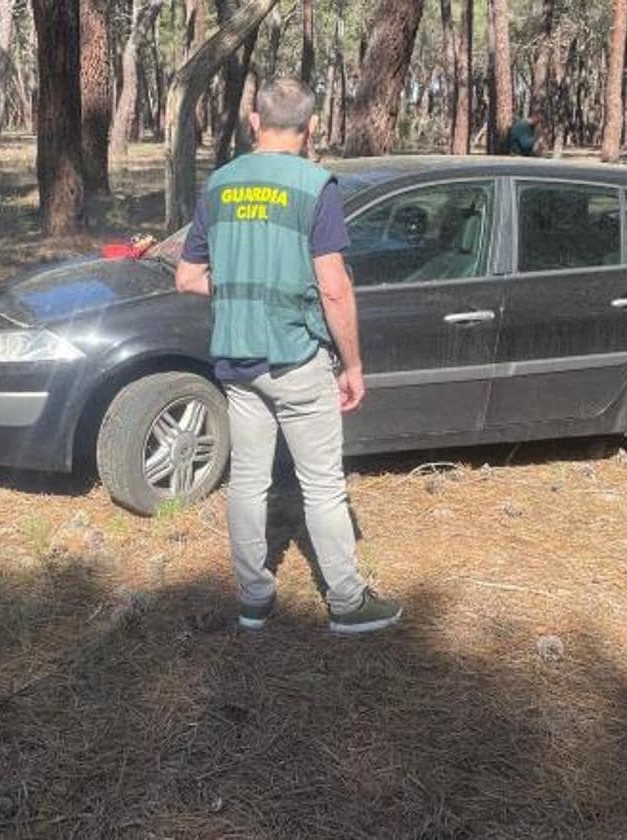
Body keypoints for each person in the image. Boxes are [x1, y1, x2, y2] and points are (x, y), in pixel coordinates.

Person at [174, 77, 401, 635]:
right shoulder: (314, 186)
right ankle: (347, 604)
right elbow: (334, 288)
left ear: (255, 121)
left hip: (236, 359)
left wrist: (243, 289)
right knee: (322, 485)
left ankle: (254, 599)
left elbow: (188, 278)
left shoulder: (220, 185)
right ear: (312, 126)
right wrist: (353, 366)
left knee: (248, 482)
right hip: (297, 359)